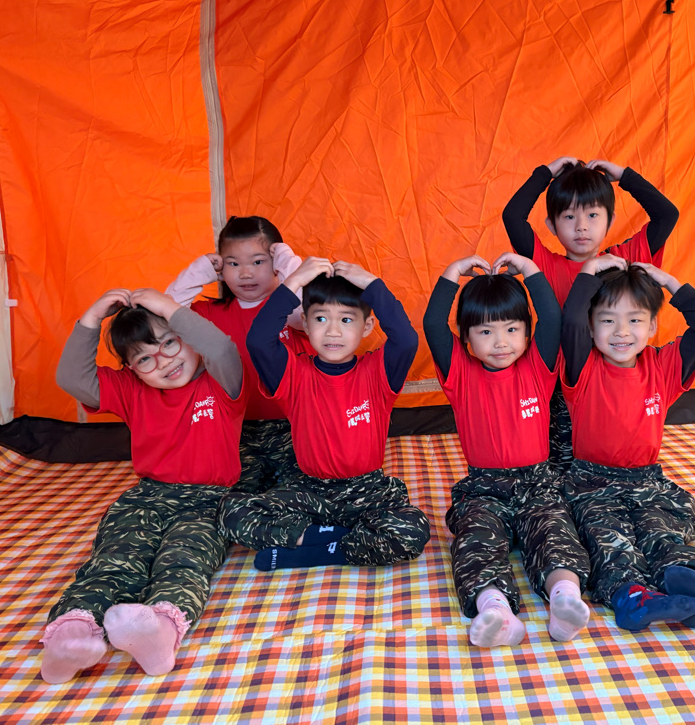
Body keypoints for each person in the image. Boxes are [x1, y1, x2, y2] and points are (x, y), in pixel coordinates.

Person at [42, 288, 245, 683]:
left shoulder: (221, 383)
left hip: (209, 500)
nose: (164, 360)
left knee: (185, 559)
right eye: (145, 359)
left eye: (170, 343)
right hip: (147, 496)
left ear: (189, 339)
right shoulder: (132, 390)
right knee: (115, 557)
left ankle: (157, 632)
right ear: (132, 370)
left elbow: (220, 348)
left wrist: (167, 307)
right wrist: (92, 316)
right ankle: (71, 636)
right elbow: (71, 378)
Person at [217, 258, 430, 570]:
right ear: (305, 322)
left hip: (366, 490)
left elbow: (406, 339)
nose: (332, 331)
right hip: (309, 489)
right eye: (320, 318)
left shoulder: (378, 372)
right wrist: (294, 282)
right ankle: (335, 539)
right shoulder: (293, 374)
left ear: (367, 326)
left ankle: (317, 551)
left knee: (413, 529)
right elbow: (258, 340)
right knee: (230, 511)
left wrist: (372, 285)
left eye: (346, 320)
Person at [423, 252, 590, 648]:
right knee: (474, 541)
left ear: (527, 332)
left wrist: (530, 270)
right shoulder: (460, 373)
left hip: (538, 485)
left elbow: (553, 318)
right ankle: (496, 611)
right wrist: (451, 272)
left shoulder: (537, 367)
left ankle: (564, 600)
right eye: (485, 331)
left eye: (512, 329)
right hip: (483, 489)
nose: (500, 342)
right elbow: (432, 324)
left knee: (555, 531)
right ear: (466, 337)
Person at [560, 255, 695, 633]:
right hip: (592, 484)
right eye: (607, 320)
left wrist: (668, 281)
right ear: (591, 326)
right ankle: (632, 598)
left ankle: (684, 587)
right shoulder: (582, 366)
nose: (621, 331)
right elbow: (569, 321)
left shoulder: (662, 366)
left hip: (647, 482)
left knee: (661, 530)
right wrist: (587, 272)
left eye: (635, 320)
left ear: (652, 326)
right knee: (608, 538)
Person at [502, 157, 680, 475]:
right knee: (558, 471)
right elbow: (512, 216)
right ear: (552, 225)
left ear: (610, 220)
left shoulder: (623, 262)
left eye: (593, 215)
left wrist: (625, 176)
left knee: (607, 460)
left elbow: (667, 214)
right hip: (562, 388)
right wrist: (545, 173)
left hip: (616, 387)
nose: (581, 226)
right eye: (569, 216)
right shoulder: (544, 264)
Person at [165, 216, 312, 492]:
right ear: (220, 268)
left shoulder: (291, 312)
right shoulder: (209, 315)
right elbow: (165, 316)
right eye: (233, 264)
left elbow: (306, 308)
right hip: (236, 431)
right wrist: (198, 272)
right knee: (230, 491)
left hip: (297, 427)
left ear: (276, 263)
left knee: (306, 487)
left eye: (258, 262)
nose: (245, 274)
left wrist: (288, 263)